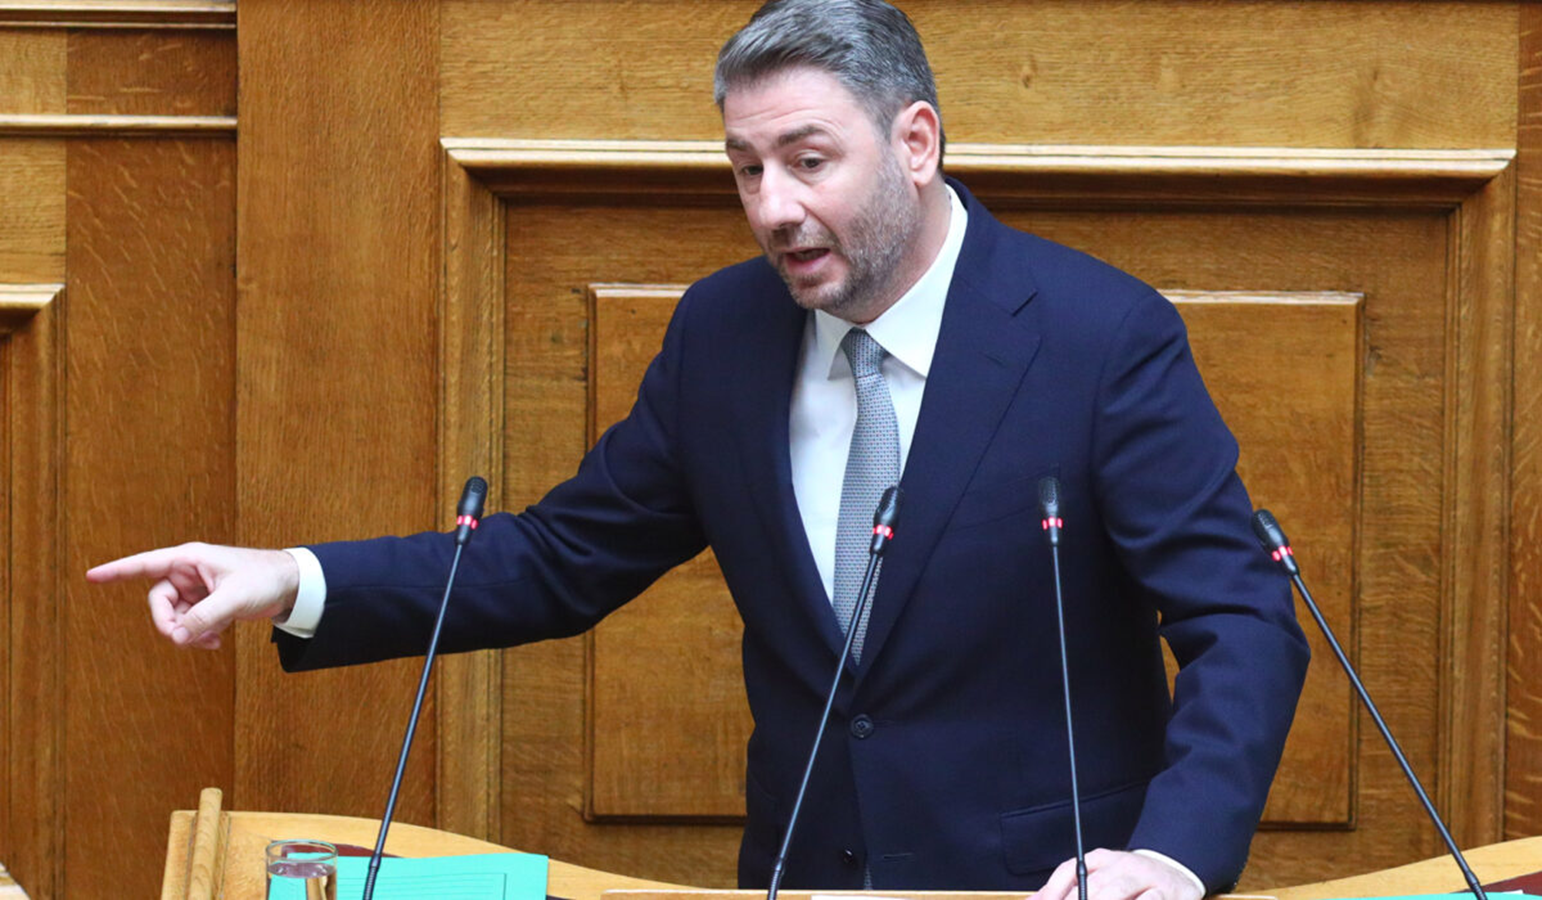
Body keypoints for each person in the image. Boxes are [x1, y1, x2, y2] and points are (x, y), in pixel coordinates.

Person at [89, 1, 1310, 897]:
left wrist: (1171, 856)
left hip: (1045, 887)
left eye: (809, 162)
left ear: (917, 142)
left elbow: (1240, 617)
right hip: (799, 876)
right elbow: (561, 559)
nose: (774, 207)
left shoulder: (1098, 337)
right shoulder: (725, 335)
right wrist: (294, 579)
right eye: (746, 169)